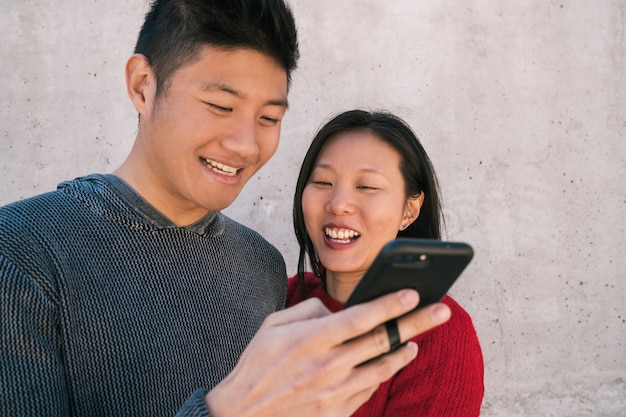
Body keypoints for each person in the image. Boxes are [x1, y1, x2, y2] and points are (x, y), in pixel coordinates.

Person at [0, 2, 453, 417]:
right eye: (220, 105)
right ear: (143, 85)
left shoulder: (261, 265)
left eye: (269, 118)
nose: (245, 144)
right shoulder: (21, 252)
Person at [287, 109, 485, 416]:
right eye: (323, 182)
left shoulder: (438, 332)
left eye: (366, 186)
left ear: (409, 210)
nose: (338, 203)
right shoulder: (280, 299)